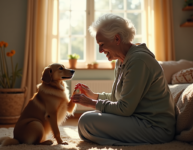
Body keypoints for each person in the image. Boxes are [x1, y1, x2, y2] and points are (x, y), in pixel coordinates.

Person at [70, 14, 175, 146]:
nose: (100, 50)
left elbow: (124, 108)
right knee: (87, 122)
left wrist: (92, 103)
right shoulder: (121, 61)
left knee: (86, 121)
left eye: (102, 44)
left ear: (117, 38)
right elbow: (118, 98)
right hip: (137, 118)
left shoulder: (138, 61)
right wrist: (93, 96)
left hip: (155, 127)